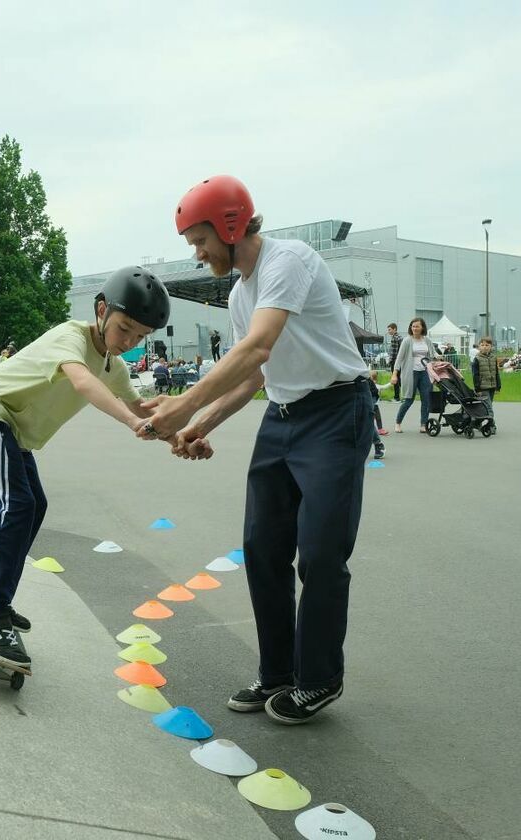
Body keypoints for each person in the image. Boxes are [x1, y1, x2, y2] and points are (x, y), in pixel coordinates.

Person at [141, 175, 371, 725]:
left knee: (319, 553)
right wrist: (200, 426)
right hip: (285, 414)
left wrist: (184, 403)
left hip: (337, 411)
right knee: (262, 547)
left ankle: (318, 679)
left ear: (229, 224)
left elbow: (257, 346)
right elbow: (253, 378)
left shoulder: (287, 261)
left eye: (199, 241)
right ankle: (279, 672)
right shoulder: (242, 292)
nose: (197, 255)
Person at [0, 266, 176, 671]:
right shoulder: (69, 337)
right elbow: (83, 382)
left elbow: (140, 407)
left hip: (12, 429)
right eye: (124, 328)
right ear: (102, 309)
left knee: (34, 505)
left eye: (140, 337)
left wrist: (181, 433)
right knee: (16, 506)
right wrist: (131, 424)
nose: (128, 342)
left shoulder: (116, 366)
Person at [391, 317, 436, 433]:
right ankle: (398, 422)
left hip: (425, 372)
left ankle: (423, 424)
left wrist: (438, 358)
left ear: (422, 328)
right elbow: (399, 358)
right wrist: (394, 374)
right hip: (411, 373)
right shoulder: (407, 341)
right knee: (408, 400)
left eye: (417, 326)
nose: (415, 328)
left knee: (426, 400)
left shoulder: (427, 340)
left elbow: (432, 353)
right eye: (413, 326)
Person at [470, 336, 501, 420]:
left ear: (491, 347)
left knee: (488, 405)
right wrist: (478, 389)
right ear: (479, 346)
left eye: (487, 345)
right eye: (482, 345)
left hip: (492, 386)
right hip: (483, 387)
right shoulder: (477, 359)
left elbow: (496, 373)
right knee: (488, 406)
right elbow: (475, 375)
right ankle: (491, 425)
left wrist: (498, 386)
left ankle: (478, 421)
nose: (485, 347)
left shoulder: (493, 358)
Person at [385, 323, 402, 401]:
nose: (388, 331)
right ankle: (404, 396)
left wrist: (390, 360)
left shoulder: (395, 338)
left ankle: (396, 397)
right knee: (400, 378)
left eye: (390, 329)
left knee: (395, 379)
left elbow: (394, 352)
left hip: (395, 361)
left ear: (395, 329)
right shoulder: (400, 337)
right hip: (400, 361)